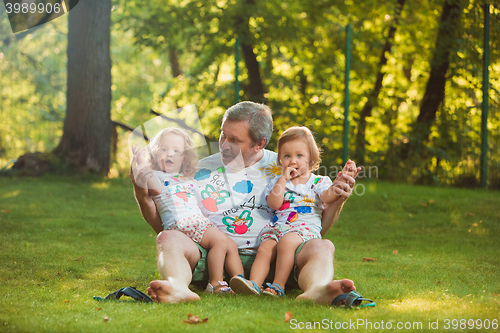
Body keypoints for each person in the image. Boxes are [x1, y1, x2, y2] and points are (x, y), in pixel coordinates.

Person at [130, 101, 360, 304]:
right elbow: (168, 221)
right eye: (222, 134)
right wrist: (141, 192)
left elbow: (312, 225)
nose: (223, 144)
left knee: (323, 245)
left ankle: (316, 290)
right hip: (213, 259)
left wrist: (338, 200)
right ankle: (178, 287)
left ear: (259, 144)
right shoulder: (197, 169)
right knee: (167, 238)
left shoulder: (286, 166)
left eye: (234, 140)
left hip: (278, 258)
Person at [229, 126, 357, 297]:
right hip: (278, 228)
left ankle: (277, 286)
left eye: (299, 155)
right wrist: (283, 179)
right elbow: (274, 203)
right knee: (265, 248)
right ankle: (254, 284)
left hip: (303, 228)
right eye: (287, 156)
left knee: (287, 243)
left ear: (310, 158)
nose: (293, 161)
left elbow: (327, 197)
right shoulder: (278, 181)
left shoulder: (318, 181)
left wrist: (340, 182)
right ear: (280, 159)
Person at [131, 127, 244, 294]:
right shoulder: (158, 176)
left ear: (184, 157)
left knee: (230, 245)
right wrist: (140, 162)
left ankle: (241, 280)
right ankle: (216, 284)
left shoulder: (183, 177)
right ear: (155, 153)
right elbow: (153, 187)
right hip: (183, 224)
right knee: (219, 242)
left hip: (195, 222)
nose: (170, 154)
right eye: (164, 149)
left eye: (177, 151)